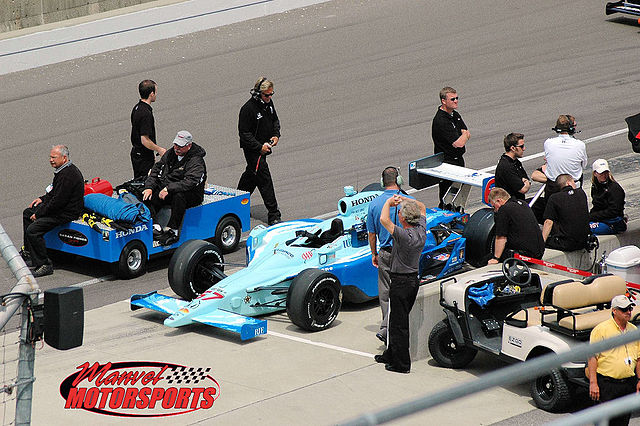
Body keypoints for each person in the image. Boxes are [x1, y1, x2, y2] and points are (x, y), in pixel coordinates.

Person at [374, 194, 426, 374]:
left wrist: (390, 202)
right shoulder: (421, 230)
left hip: (401, 282)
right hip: (412, 280)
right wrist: (404, 199)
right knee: (395, 320)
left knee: (398, 325)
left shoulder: (404, 235)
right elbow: (423, 206)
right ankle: (391, 353)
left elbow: (383, 219)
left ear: (402, 218)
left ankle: (401, 364)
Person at [21, 145, 84, 277]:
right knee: (27, 213)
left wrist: (38, 214)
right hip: (59, 208)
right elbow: (54, 193)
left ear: (64, 158)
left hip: (66, 212)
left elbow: (58, 202)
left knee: (33, 230)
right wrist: (41, 199)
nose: (51, 160)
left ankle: (44, 264)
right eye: (50, 157)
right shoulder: (62, 171)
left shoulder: (68, 175)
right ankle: (29, 253)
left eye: (54, 157)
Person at [366, 167, 413, 343]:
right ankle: (390, 328)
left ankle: (386, 327)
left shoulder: (374, 204)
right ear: (399, 180)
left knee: (385, 293)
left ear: (382, 182)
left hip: (385, 253)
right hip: (405, 255)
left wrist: (373, 253)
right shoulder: (410, 201)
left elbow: (371, 234)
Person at [142, 131, 206, 245]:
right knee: (148, 194)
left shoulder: (196, 161)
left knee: (179, 196)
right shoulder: (171, 153)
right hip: (170, 187)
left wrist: (168, 188)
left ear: (189, 146)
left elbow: (190, 182)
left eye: (180, 146)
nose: (177, 148)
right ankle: (154, 225)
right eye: (176, 144)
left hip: (191, 193)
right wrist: (149, 187)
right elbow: (156, 169)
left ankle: (174, 230)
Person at [588, 295, 640, 426]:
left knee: (623, 421)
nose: (628, 312)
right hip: (607, 385)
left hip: (628, 384)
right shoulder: (601, 330)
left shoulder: (633, 331)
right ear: (614, 311)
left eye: (630, 308)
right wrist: (593, 383)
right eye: (624, 309)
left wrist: (639, 380)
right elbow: (592, 357)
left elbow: (639, 358)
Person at [237, 77, 282, 226]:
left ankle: (237, 203)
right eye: (266, 95)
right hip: (253, 150)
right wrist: (259, 147)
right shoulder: (247, 109)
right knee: (264, 178)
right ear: (258, 94)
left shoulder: (268, 104)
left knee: (251, 175)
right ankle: (274, 214)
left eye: (271, 94)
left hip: (264, 147)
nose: (269, 98)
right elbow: (244, 134)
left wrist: (276, 135)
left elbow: (275, 120)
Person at [431, 86, 470, 208]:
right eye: (452, 99)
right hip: (447, 163)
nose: (456, 101)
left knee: (459, 193)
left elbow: (466, 132)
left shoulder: (455, 115)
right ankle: (445, 215)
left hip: (458, 160)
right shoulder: (441, 121)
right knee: (447, 194)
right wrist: (464, 135)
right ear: (444, 101)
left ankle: (457, 213)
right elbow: (459, 143)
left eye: (457, 98)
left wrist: (464, 135)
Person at [487, 188, 544, 265]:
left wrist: (496, 258)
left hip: (525, 255)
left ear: (499, 201)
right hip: (539, 252)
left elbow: (501, 237)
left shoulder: (504, 210)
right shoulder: (522, 203)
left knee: (487, 258)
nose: (495, 210)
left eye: (494, 207)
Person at [542, 174, 590, 251]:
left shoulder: (554, 198)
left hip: (567, 244)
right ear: (569, 183)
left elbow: (548, 222)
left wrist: (542, 242)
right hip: (584, 241)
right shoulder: (581, 193)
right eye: (573, 182)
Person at [130, 79, 166, 179]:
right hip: (142, 157)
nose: (156, 95)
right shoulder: (145, 113)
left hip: (138, 154)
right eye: (155, 92)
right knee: (145, 182)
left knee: (139, 179)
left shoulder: (137, 108)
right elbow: (144, 140)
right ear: (151, 94)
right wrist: (159, 149)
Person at [589, 159, 627, 235]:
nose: (604, 175)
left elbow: (614, 211)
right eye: (601, 173)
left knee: (587, 229)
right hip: (601, 219)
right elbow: (596, 206)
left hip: (614, 222)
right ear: (595, 173)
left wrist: (593, 216)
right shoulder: (595, 187)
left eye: (606, 172)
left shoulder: (614, 188)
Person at [494, 133, 530, 200]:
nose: (524, 149)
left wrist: (526, 181)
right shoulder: (506, 166)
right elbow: (523, 189)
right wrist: (525, 182)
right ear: (513, 148)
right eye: (521, 146)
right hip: (511, 205)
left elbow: (527, 180)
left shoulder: (516, 162)